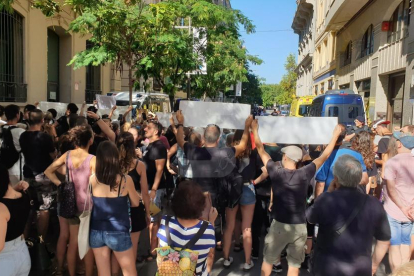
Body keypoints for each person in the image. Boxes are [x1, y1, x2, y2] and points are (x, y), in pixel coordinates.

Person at [252, 118, 342, 276]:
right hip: (299, 226)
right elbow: (325, 156)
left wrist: (254, 130)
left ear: (285, 157)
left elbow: (261, 150)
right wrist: (335, 136)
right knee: (294, 266)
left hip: (279, 225)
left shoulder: (276, 171)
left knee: (268, 260)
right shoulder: (305, 173)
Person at [306, 155, 391, 276]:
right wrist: (374, 265)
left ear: (336, 178)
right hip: (360, 268)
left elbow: (310, 218)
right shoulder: (374, 203)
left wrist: (328, 192)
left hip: (327, 267)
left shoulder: (326, 200)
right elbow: (384, 240)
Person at [44, 125, 96, 276]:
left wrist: (61, 185)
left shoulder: (67, 155)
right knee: (86, 244)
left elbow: (48, 171)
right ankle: (88, 273)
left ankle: (71, 273)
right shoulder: (93, 159)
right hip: (88, 205)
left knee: (73, 242)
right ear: (90, 141)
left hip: (70, 203)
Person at [89, 141, 140, 276]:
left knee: (103, 273)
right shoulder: (125, 180)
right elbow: (136, 203)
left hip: (96, 230)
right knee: (129, 272)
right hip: (118, 231)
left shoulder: (92, 179)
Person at [157, 181, 218, 276]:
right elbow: (210, 255)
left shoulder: (165, 222)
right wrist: (212, 222)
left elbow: (160, 252)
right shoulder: (208, 229)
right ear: (201, 206)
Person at [112, 132, 150, 273]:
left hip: (115, 209)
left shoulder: (112, 164)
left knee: (115, 248)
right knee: (132, 247)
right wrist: (147, 212)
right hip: (135, 209)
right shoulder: (139, 165)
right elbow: (145, 192)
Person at [222, 130, 259, 270]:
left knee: (229, 226)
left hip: (232, 189)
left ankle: (225, 258)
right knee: (247, 228)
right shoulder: (253, 153)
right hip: (248, 188)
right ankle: (248, 261)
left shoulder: (229, 152)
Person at [19, 109, 56, 241]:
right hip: (44, 176)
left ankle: (24, 239)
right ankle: (41, 241)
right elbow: (53, 155)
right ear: (42, 121)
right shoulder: (44, 137)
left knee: (29, 207)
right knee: (44, 209)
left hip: (28, 175)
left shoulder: (23, 136)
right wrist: (52, 135)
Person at [383, 132, 414, 271]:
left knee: (394, 244)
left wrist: (402, 207)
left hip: (394, 210)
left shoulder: (392, 161)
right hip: (411, 211)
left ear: (400, 144)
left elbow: (391, 188)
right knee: (406, 242)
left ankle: (396, 273)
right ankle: (405, 273)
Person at [315, 124, 369, 198]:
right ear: (345, 136)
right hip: (352, 200)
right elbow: (365, 179)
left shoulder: (325, 156)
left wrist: (318, 203)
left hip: (330, 201)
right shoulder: (357, 154)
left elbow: (320, 183)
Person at [142, 120, 167, 260]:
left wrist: (154, 189)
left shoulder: (159, 146)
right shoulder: (151, 145)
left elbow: (159, 169)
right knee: (152, 220)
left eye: (149, 128)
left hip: (154, 190)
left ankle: (153, 251)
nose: (145, 129)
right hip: (149, 189)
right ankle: (153, 248)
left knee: (153, 221)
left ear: (156, 131)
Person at [0, 165, 31, 276]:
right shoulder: (24, 195)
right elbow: (9, 199)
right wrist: (16, 187)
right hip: (22, 252)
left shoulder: (2, 209)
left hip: (4, 260)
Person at [1, 105, 25, 185]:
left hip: (2, 167)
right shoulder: (20, 132)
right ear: (17, 115)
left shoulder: (1, 129)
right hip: (16, 169)